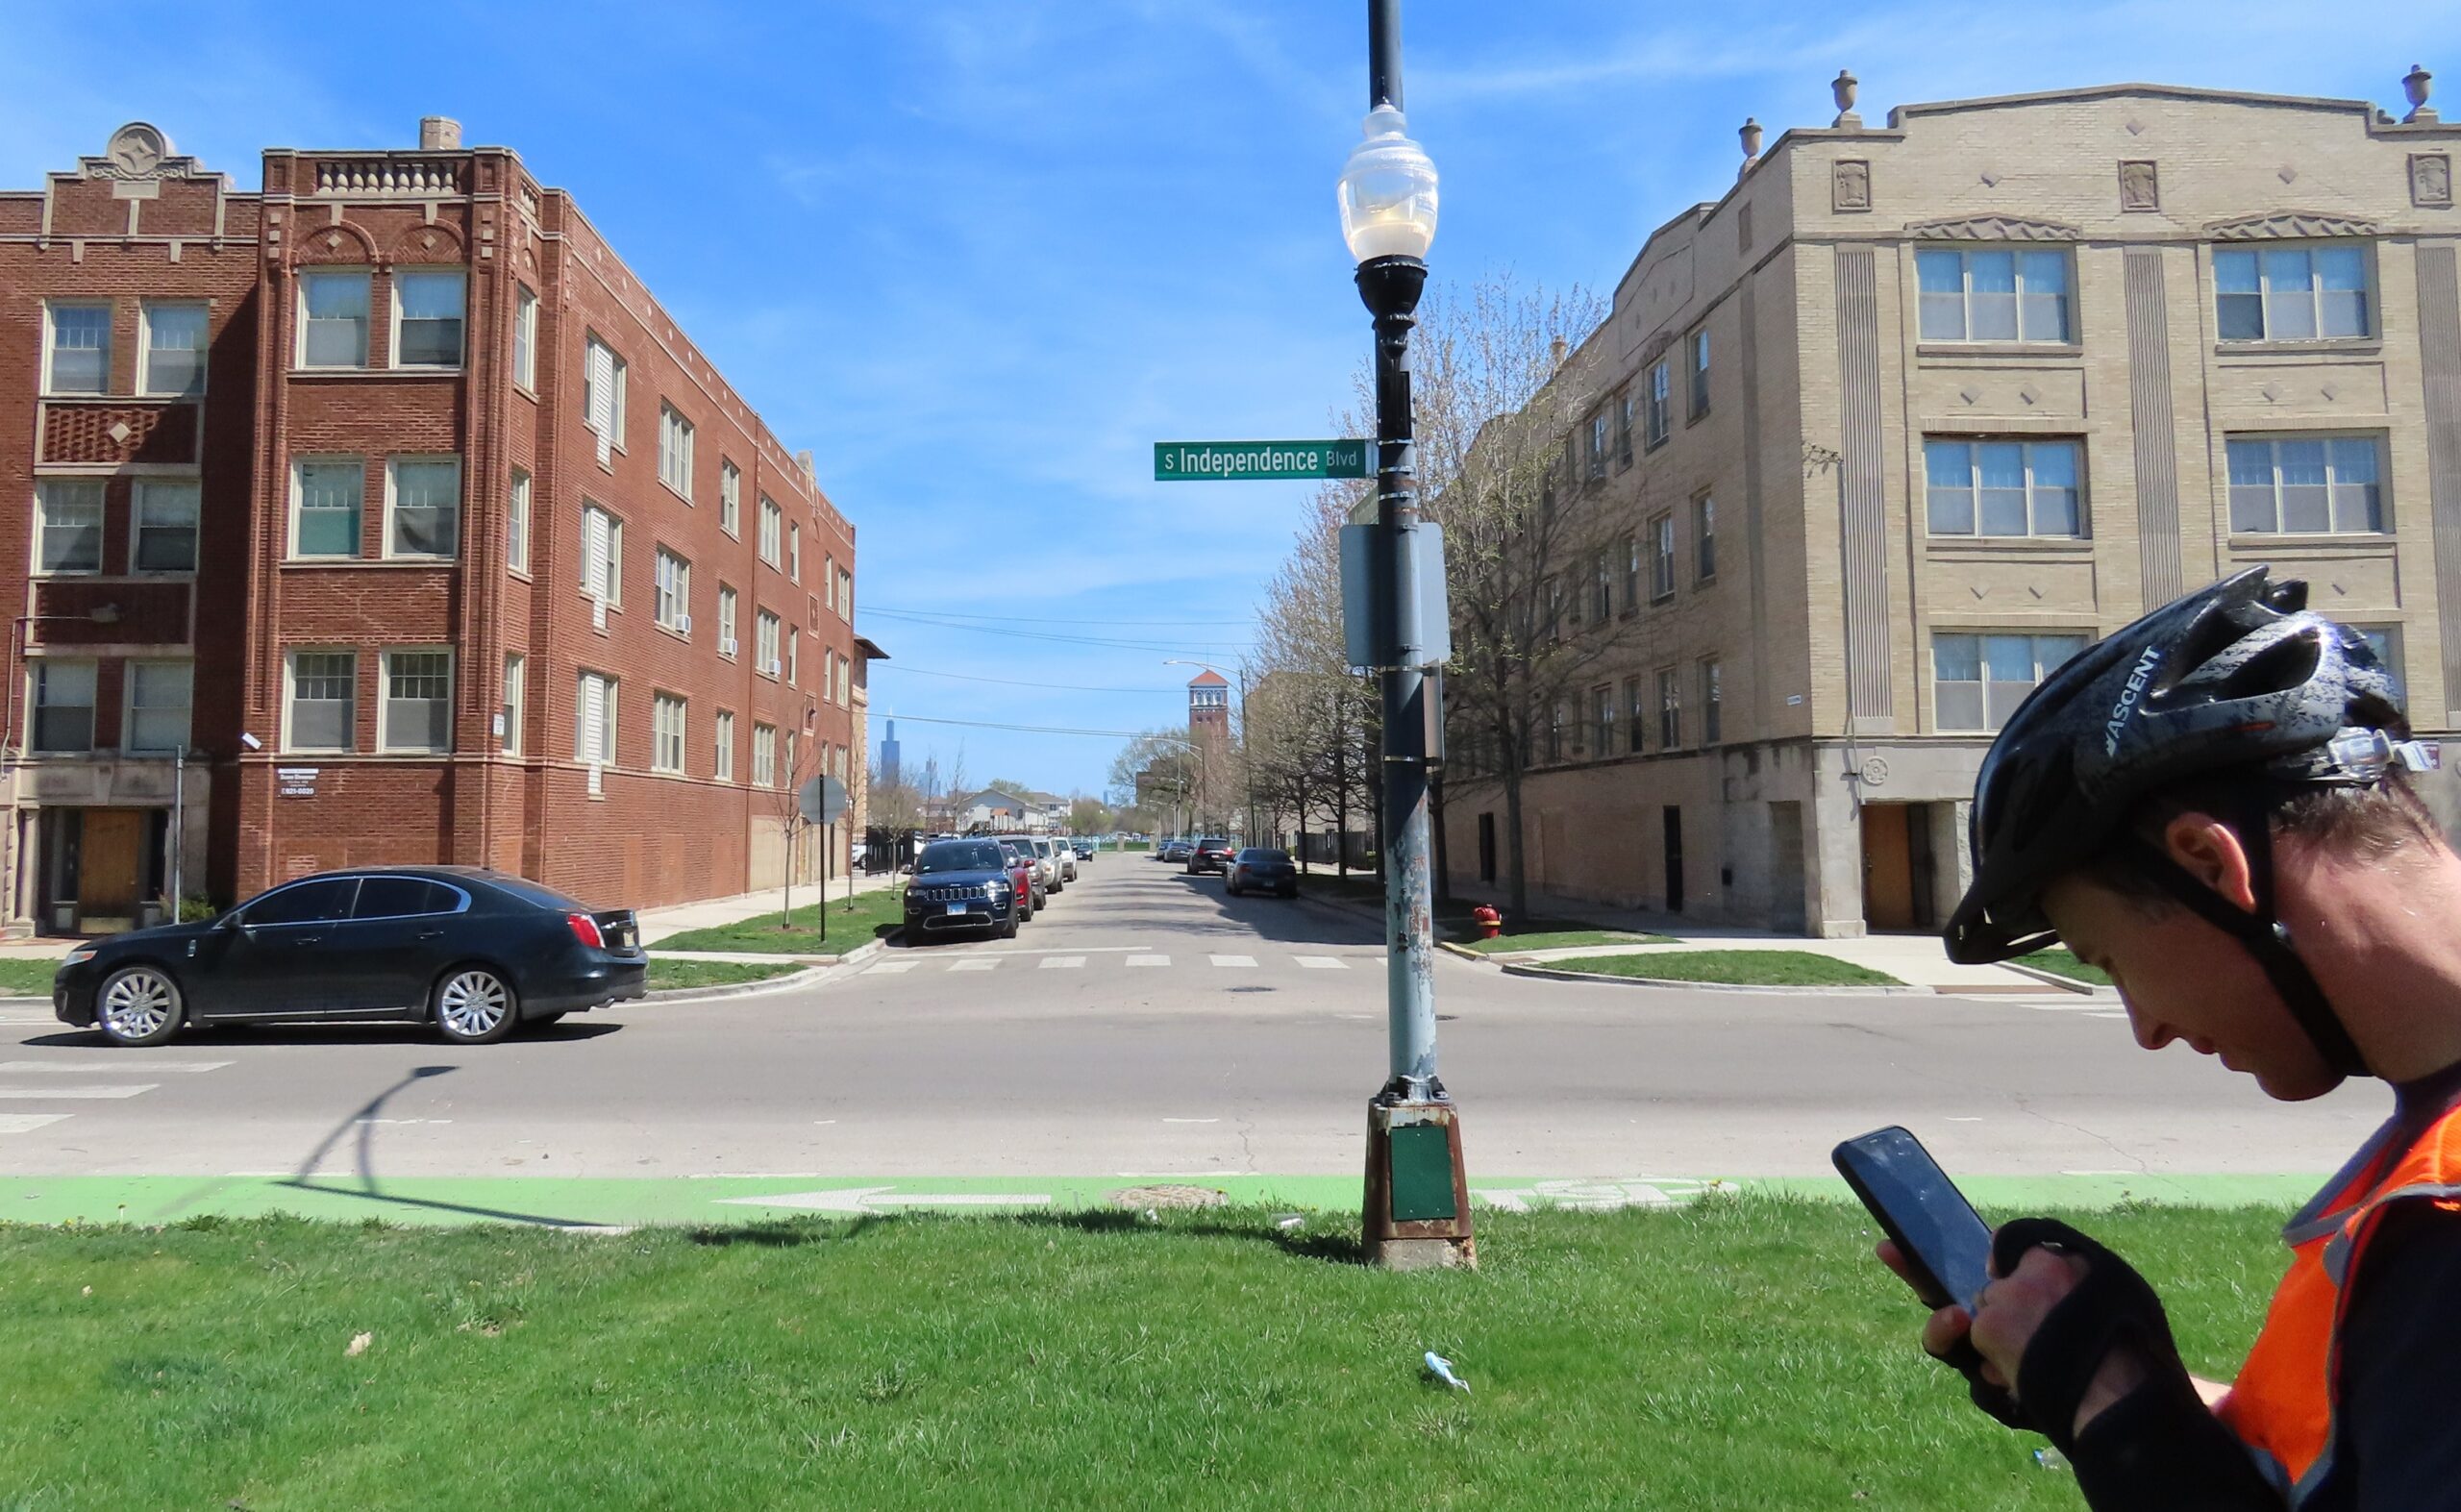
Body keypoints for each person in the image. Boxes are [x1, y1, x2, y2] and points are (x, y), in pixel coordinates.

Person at [1886, 567, 2461, 1509]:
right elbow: (2351, 1466)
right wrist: (2094, 1370)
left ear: (2209, 864)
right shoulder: (2423, 1168)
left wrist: (2119, 1413)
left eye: (2107, 959)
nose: (2145, 1028)